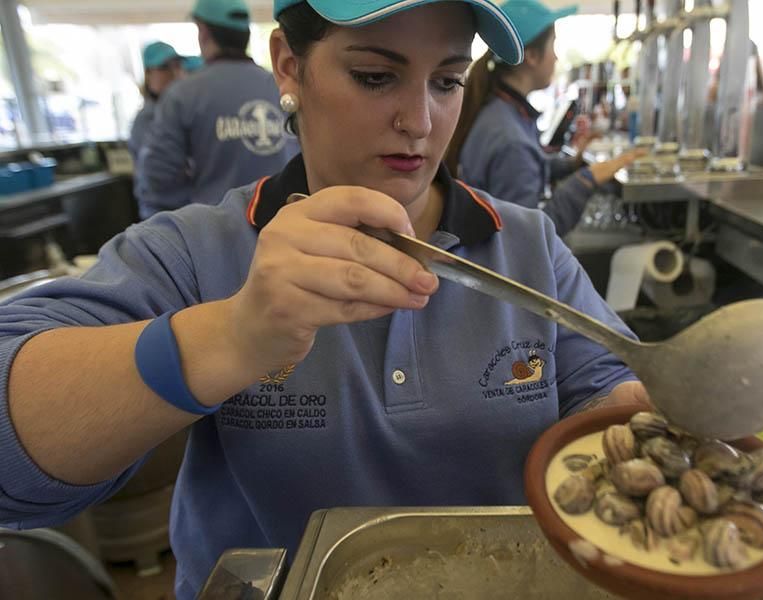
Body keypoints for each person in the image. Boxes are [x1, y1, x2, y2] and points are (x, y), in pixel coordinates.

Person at [0, 1, 648, 597]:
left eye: (447, 81)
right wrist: (232, 334)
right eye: (374, 75)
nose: (420, 121)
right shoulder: (199, 251)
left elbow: (607, 386)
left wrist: (664, 413)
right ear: (289, 64)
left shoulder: (527, 247)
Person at [446, 0, 641, 237]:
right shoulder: (510, 138)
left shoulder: (500, 112)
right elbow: (528, 238)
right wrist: (586, 180)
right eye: (553, 47)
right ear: (531, 56)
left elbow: (528, 165)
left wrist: (572, 164)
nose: (557, 58)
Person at [139, 0, 297, 219]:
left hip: (214, 239)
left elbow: (158, 179)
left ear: (203, 32)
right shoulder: (282, 87)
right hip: (287, 227)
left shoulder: (183, 96)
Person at [127, 41, 184, 164]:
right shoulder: (147, 119)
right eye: (164, 67)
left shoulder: (176, 111)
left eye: (177, 66)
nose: (173, 73)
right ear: (148, 74)